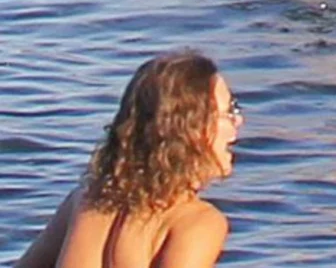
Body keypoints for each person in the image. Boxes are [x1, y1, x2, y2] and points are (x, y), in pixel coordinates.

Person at [16, 51, 242, 268]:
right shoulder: (196, 223)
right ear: (193, 130)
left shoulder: (85, 200)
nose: (239, 121)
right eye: (228, 112)